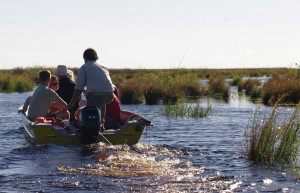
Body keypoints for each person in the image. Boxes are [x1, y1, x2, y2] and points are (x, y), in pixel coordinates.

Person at [68, 48, 114, 130]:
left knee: (89, 113)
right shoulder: (103, 67)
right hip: (110, 95)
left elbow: (78, 89)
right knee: (101, 103)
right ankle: (101, 125)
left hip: (96, 96)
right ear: (96, 57)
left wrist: (71, 104)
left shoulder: (84, 68)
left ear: (84, 58)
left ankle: (91, 131)